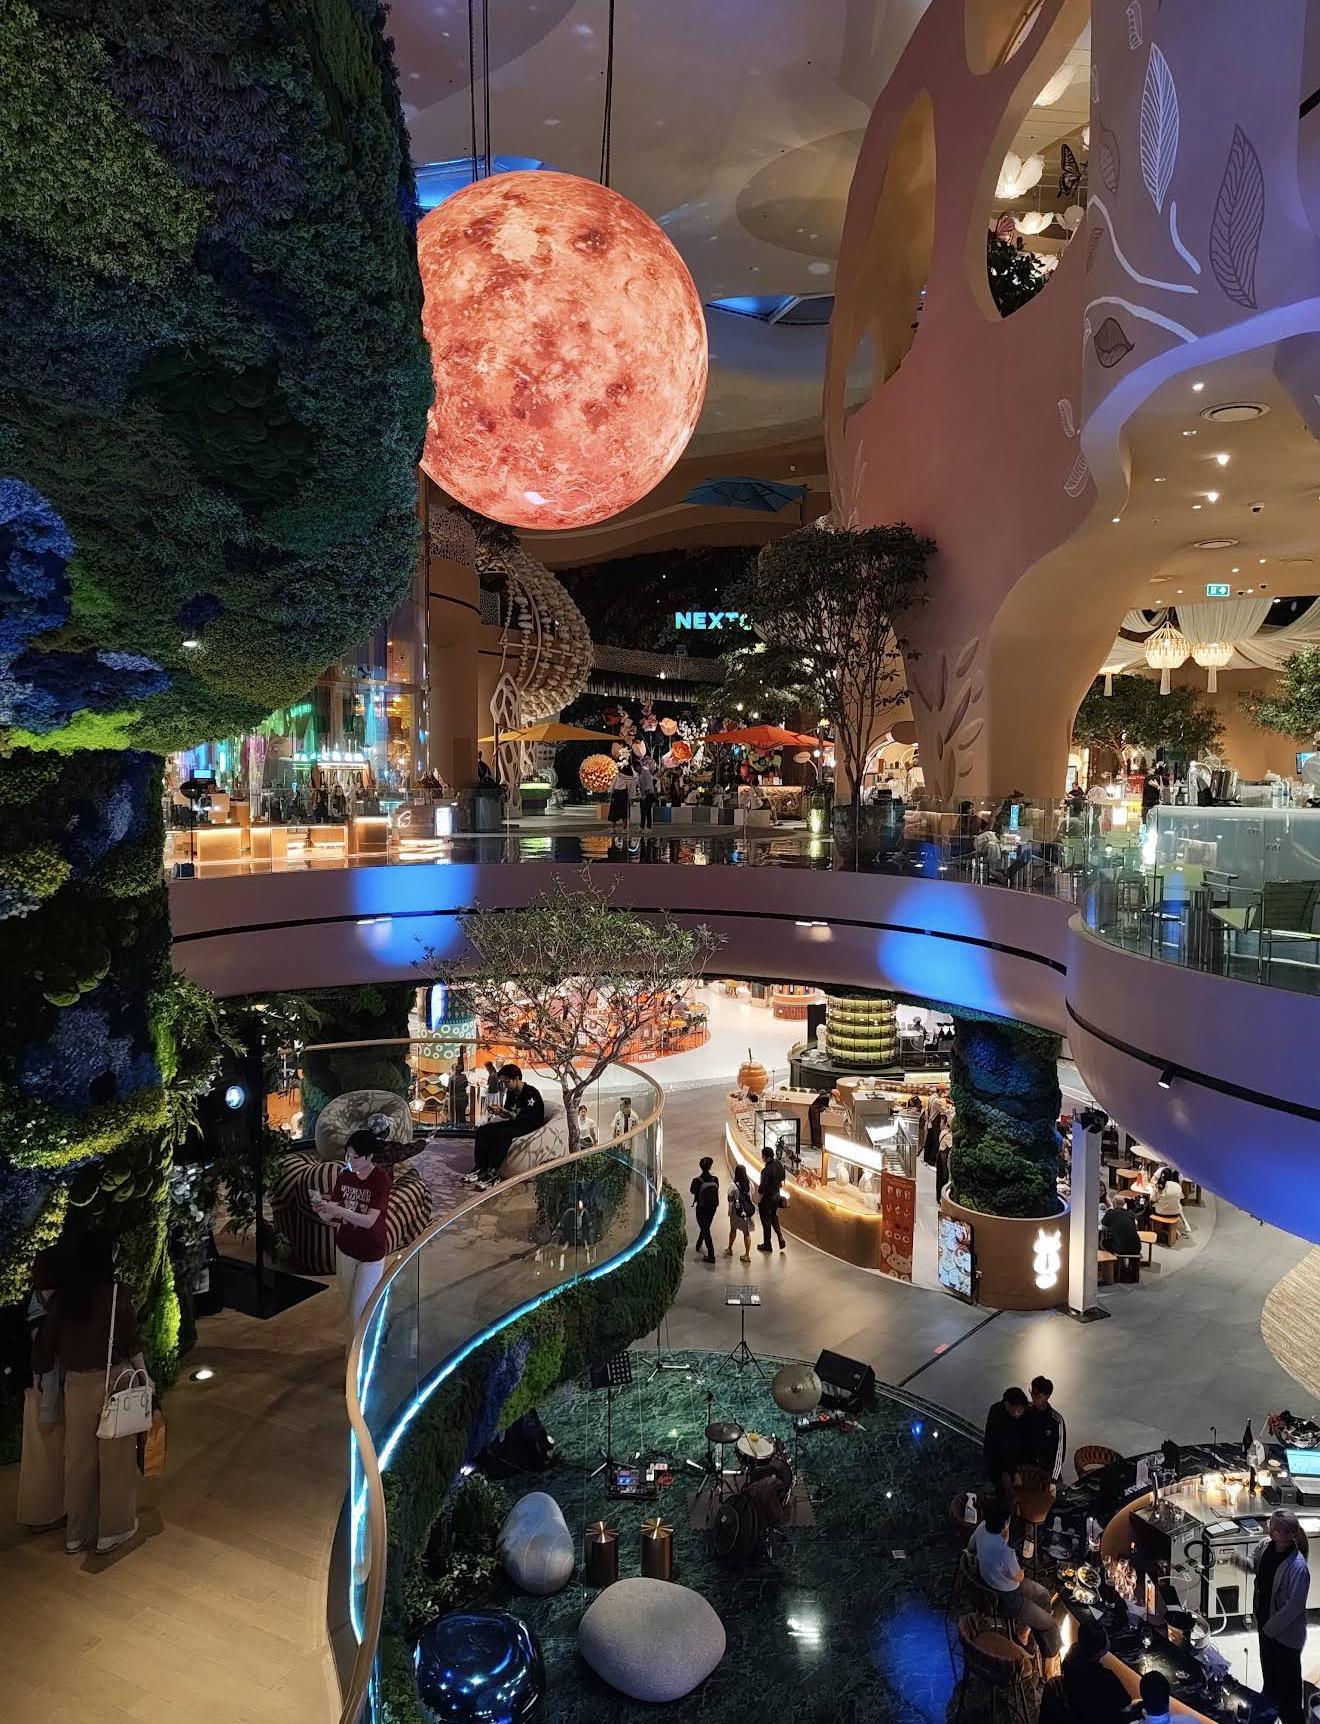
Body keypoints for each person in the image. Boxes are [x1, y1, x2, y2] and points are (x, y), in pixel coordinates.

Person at [29, 1233, 148, 1555]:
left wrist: (40, 1380)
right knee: (116, 1458)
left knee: (78, 1460)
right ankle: (114, 1529)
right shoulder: (115, 1294)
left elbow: (46, 1346)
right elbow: (131, 1340)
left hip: (77, 1384)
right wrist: (145, 1379)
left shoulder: (63, 1298)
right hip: (115, 1381)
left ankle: (76, 1533)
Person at [312, 1132, 393, 1338]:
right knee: (349, 1305)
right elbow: (331, 1213)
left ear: (369, 1156)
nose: (350, 1161)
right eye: (348, 1156)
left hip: (371, 1251)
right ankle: (355, 1346)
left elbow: (369, 1221)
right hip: (346, 1247)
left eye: (355, 1157)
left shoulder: (380, 1179)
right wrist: (322, 1208)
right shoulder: (345, 1175)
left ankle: (359, 1350)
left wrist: (339, 1211)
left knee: (360, 1311)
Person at [967, 1504, 1061, 1660]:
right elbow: (1019, 1577)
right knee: (1050, 1625)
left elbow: (971, 1547)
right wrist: (1007, 1540)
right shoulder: (1005, 1552)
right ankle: (1050, 1657)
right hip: (1007, 1599)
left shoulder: (982, 1528)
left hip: (988, 1582)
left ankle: (1024, 1632)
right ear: (1005, 1523)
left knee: (1043, 1595)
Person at [17, 1244, 66, 1534]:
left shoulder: (34, 1301)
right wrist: (48, 1409)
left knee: (38, 1459)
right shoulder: (49, 1310)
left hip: (35, 1394)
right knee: (48, 1460)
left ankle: (39, 1514)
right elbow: (49, 1364)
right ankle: (45, 1516)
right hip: (47, 1396)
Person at [1255, 1509, 1310, 1724]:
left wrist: (1270, 1629)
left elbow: (1294, 1607)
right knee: (1270, 1677)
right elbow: (1257, 1568)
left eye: (1273, 1527)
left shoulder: (1298, 1567)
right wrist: (1238, 1561)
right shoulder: (1266, 1547)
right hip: (1266, 1625)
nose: (1269, 1529)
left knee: (1289, 1690)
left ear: (1285, 1534)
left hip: (1284, 1636)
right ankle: (1266, 1712)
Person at [467, 1064, 545, 1187]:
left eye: (507, 1081)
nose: (505, 1085)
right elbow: (508, 1113)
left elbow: (526, 1118)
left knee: (501, 1134)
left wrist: (505, 1112)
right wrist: (499, 1111)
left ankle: (493, 1171)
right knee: (483, 1130)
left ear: (516, 1078)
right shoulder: (511, 1092)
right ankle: (481, 1167)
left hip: (529, 1125)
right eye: (502, 1082)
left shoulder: (531, 1093)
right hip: (516, 1123)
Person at [1060, 1619, 1132, 1724]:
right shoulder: (1106, 1677)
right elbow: (1126, 1707)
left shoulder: (1070, 1659)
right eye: (1107, 1638)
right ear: (1101, 1651)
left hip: (1076, 1714)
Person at [982, 1385, 1030, 1501]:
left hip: (1013, 1456)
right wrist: (1014, 1473)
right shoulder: (998, 1417)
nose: (1019, 1413)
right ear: (1007, 1405)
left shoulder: (1019, 1411)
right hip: (998, 1461)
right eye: (1016, 1410)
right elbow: (1004, 1447)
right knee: (1004, 1492)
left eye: (1021, 1410)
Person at [1025, 1375, 1067, 1482]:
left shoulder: (1056, 1420)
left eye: (1037, 1395)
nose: (1033, 1397)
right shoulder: (1026, 1411)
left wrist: (1053, 1479)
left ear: (1047, 1396)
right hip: (1027, 1467)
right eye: (1032, 1393)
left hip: (1048, 1470)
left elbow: (1059, 1453)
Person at [756, 1148, 787, 1253]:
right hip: (776, 1195)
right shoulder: (779, 1164)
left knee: (766, 1221)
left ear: (767, 1157)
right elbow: (783, 1178)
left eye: (763, 1156)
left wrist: (759, 1198)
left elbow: (761, 1188)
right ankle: (780, 1236)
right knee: (773, 1215)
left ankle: (767, 1244)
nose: (762, 1157)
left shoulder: (766, 1170)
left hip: (767, 1198)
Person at [690, 1157, 720, 1264]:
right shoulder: (715, 1179)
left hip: (701, 1208)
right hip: (712, 1208)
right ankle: (698, 1244)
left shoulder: (697, 1181)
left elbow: (692, 1191)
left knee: (705, 1229)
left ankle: (711, 1256)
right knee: (705, 1226)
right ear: (710, 1166)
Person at [725, 1164, 756, 1262]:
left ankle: (730, 1248)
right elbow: (753, 1193)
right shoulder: (750, 1183)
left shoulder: (733, 1185)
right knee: (746, 1233)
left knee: (733, 1229)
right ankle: (747, 1255)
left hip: (736, 1212)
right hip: (747, 1211)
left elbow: (729, 1198)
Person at [1152, 1168, 1187, 1236]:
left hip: (1161, 1212)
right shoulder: (1177, 1185)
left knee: (1151, 1207)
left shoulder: (1160, 1186)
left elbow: (1152, 1199)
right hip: (1175, 1212)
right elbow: (1181, 1197)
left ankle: (1155, 1231)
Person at [608, 758, 634, 831]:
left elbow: (612, 786)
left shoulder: (618, 776)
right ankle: (624, 829)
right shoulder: (630, 778)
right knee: (624, 813)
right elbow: (632, 790)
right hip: (624, 796)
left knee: (614, 812)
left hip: (616, 795)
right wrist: (632, 799)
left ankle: (613, 828)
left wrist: (610, 793)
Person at [637, 757, 658, 830]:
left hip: (648, 794)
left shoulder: (645, 772)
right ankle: (642, 827)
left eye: (637, 766)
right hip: (642, 795)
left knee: (647, 811)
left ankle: (649, 827)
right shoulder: (639, 774)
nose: (636, 768)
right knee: (642, 811)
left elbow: (649, 784)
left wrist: (645, 794)